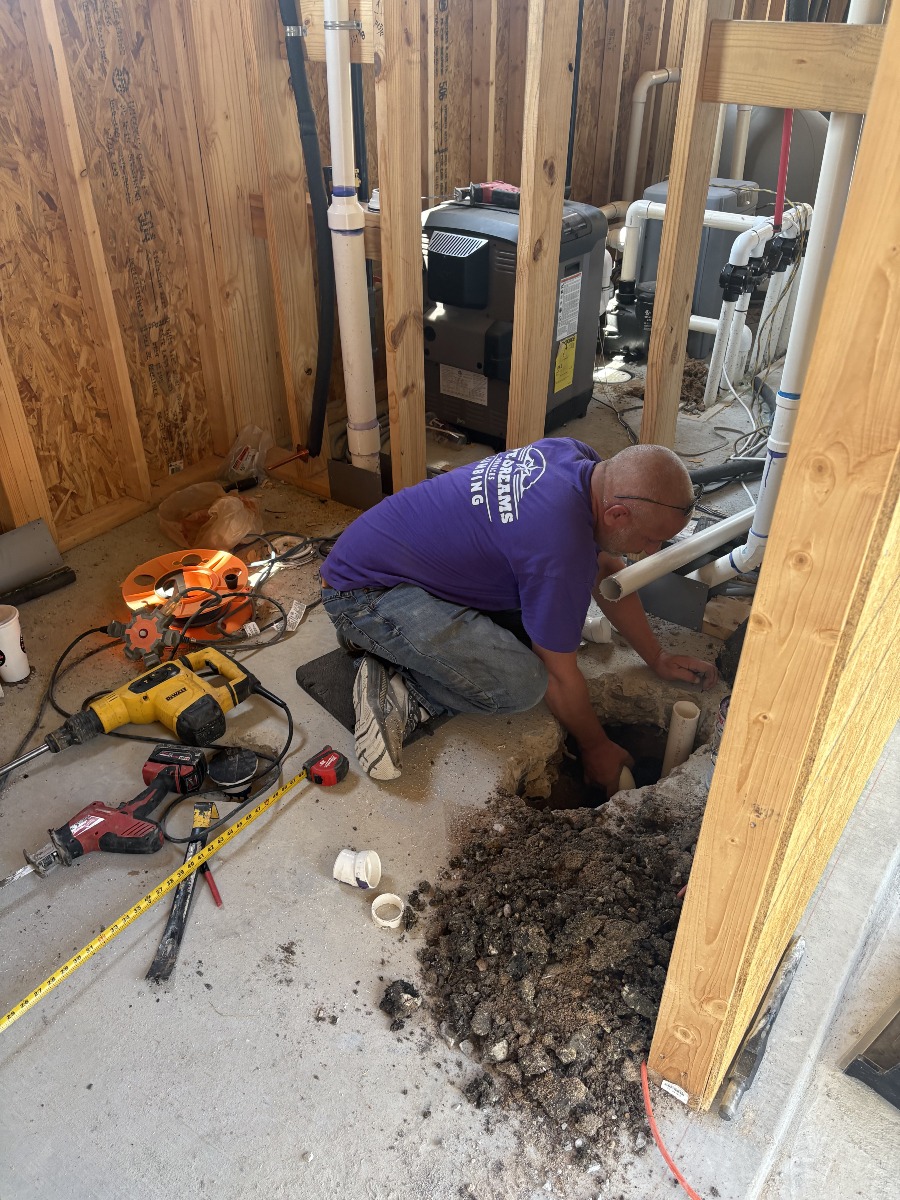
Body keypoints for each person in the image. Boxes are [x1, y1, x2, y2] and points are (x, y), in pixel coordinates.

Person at [320, 438, 717, 791]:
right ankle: (399, 686)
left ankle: (382, 639)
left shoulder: (574, 457)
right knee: (520, 683)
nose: (649, 552)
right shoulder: (560, 549)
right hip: (364, 591)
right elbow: (560, 678)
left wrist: (658, 657)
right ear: (615, 514)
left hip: (397, 563)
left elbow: (608, 570)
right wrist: (595, 747)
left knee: (539, 632)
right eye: (650, 539)